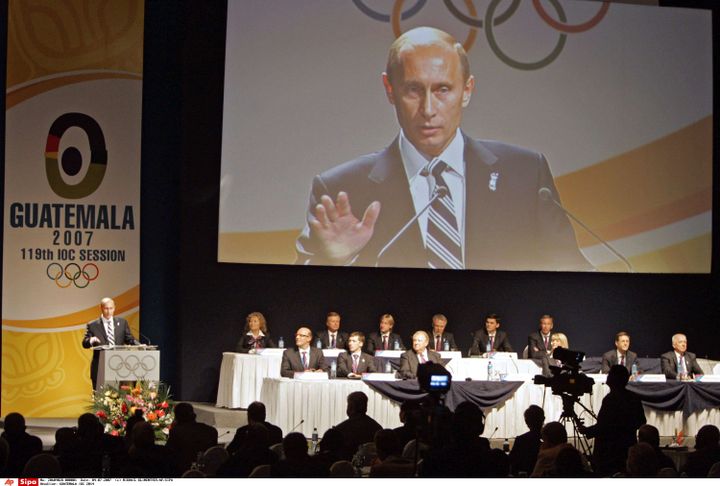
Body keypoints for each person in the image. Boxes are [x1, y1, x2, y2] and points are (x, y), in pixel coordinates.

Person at [295, 27, 590, 272]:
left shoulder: (525, 175)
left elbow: (573, 275)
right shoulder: (342, 189)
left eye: (443, 90)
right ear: (389, 90)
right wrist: (333, 261)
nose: (428, 109)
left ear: (467, 91)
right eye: (413, 90)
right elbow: (298, 296)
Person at [579, 365, 647, 477]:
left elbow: (604, 427)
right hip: (627, 449)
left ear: (614, 379)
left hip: (608, 453)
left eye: (610, 374)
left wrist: (587, 431)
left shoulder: (610, 399)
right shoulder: (633, 397)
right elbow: (641, 421)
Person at [81, 297, 139, 389]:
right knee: (101, 399)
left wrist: (139, 345)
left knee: (120, 398)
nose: (108, 311)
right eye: (106, 308)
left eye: (111, 308)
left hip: (120, 366)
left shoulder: (122, 322)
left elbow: (129, 339)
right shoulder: (93, 325)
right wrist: (91, 340)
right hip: (100, 367)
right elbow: (84, 343)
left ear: (114, 308)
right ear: (101, 308)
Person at [165, 402, 219, 475]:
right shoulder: (211, 430)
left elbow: (168, 454)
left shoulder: (177, 432)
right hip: (208, 473)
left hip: (184, 472)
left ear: (177, 417)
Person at [333, 391, 383, 460]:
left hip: (346, 468)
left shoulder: (340, 429)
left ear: (351, 408)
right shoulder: (377, 428)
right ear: (365, 407)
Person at [509, 405, 544, 476]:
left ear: (526, 422)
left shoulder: (520, 440)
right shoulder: (550, 439)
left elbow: (511, 462)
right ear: (543, 419)